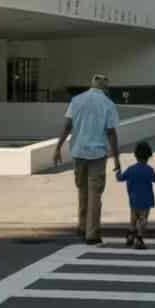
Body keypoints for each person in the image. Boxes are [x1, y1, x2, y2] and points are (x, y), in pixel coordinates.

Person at [54, 73, 123, 245]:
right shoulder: (108, 104)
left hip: (78, 152)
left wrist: (58, 148)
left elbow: (67, 126)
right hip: (98, 155)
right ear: (105, 88)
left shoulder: (76, 100)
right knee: (95, 194)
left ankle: (82, 226)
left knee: (82, 190)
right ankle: (92, 233)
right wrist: (116, 159)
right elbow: (111, 133)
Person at [117, 140, 155, 250]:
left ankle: (130, 234)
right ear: (149, 156)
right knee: (143, 219)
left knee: (133, 218)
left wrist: (118, 171)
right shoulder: (149, 170)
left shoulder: (131, 169)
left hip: (133, 198)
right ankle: (139, 238)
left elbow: (120, 178)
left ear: (135, 155)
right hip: (146, 199)